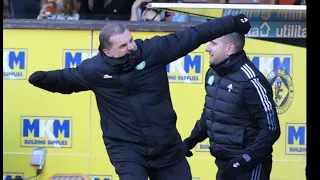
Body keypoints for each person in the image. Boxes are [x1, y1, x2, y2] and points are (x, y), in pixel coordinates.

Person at [28, 14, 251, 180]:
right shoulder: (94, 70)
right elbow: (65, 80)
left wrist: (232, 22)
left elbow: (193, 36)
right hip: (126, 148)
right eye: (123, 45)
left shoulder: (153, 51)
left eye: (131, 40)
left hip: (166, 145)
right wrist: (41, 79)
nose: (131, 47)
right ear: (108, 52)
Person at [182, 32, 281, 180]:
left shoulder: (251, 80)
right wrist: (190, 142)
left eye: (213, 43)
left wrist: (243, 161)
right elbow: (211, 113)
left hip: (249, 166)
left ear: (230, 49)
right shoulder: (212, 74)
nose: (207, 48)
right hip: (223, 164)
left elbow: (271, 129)